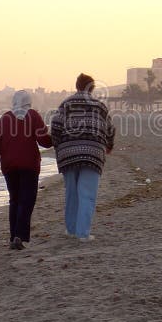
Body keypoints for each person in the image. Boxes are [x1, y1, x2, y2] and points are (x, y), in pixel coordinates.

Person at [50, 73, 115, 242]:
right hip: (93, 154)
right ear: (92, 88)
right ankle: (83, 233)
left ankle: (71, 229)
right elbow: (110, 129)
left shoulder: (66, 104)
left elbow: (56, 126)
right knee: (87, 194)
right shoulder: (100, 106)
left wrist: (58, 146)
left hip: (68, 153)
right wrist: (109, 146)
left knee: (71, 193)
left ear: (76, 85)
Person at [0, 90, 52, 250]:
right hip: (29, 165)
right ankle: (19, 236)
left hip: (9, 166)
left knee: (15, 200)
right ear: (29, 102)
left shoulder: (5, 118)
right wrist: (56, 140)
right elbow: (44, 140)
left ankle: (13, 237)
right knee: (27, 200)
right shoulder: (33, 116)